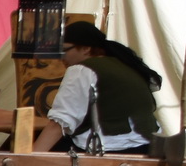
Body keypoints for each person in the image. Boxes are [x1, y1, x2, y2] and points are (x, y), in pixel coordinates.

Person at [33, 20, 162, 153]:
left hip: (113, 148)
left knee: (20, 141)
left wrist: (29, 158)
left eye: (64, 50)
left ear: (86, 48)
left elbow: (60, 123)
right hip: (148, 146)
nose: (61, 57)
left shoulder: (82, 70)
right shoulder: (125, 64)